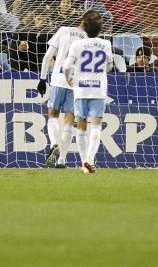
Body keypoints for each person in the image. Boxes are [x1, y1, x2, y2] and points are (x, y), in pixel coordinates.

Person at [36, 10, 89, 167]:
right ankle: (62, 160)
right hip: (75, 82)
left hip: (59, 78)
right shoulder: (88, 39)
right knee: (70, 120)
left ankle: (54, 143)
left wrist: (42, 79)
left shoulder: (63, 30)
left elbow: (47, 56)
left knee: (52, 114)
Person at [62, 11, 112, 173]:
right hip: (98, 89)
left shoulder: (77, 45)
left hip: (81, 89)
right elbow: (110, 66)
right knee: (96, 125)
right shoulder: (106, 44)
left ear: (84, 27)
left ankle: (84, 163)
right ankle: (90, 158)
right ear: (100, 28)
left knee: (81, 126)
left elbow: (66, 66)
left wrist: (69, 78)